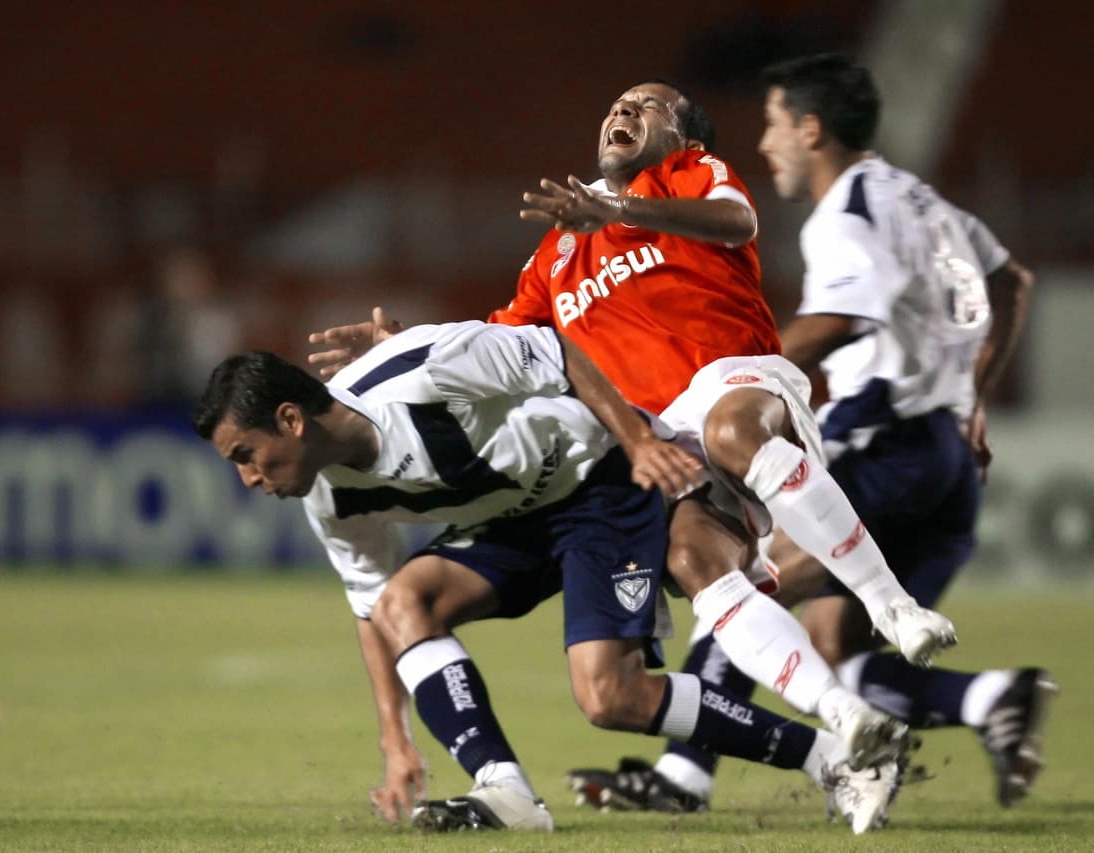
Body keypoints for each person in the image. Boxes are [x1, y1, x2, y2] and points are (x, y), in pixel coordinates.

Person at [309, 78, 952, 779]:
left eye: (646, 105)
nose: (621, 109)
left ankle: (893, 607)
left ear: (685, 136)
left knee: (733, 431)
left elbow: (737, 222)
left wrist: (615, 206)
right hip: (660, 440)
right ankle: (849, 726)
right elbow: (496, 338)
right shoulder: (557, 251)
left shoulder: (687, 176)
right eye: (614, 103)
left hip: (737, 382)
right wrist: (401, 344)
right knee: (693, 562)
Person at [568, 53, 1054, 814]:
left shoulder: (846, 211)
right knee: (834, 646)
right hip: (947, 453)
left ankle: (686, 776)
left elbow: (841, 318)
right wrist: (973, 396)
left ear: (811, 128)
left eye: (774, 125)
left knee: (734, 576)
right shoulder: (919, 199)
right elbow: (1012, 282)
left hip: (878, 435)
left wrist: (737, 370)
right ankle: (991, 694)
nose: (767, 144)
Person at [195, 320, 903, 834]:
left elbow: (555, 350)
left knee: (609, 696)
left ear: (290, 419)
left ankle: (835, 758)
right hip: (517, 515)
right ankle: (504, 788)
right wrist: (395, 739)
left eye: (245, 454)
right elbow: (371, 605)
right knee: (405, 599)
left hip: (597, 482)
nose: (249, 478)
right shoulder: (327, 493)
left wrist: (638, 443)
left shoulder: (417, 372)